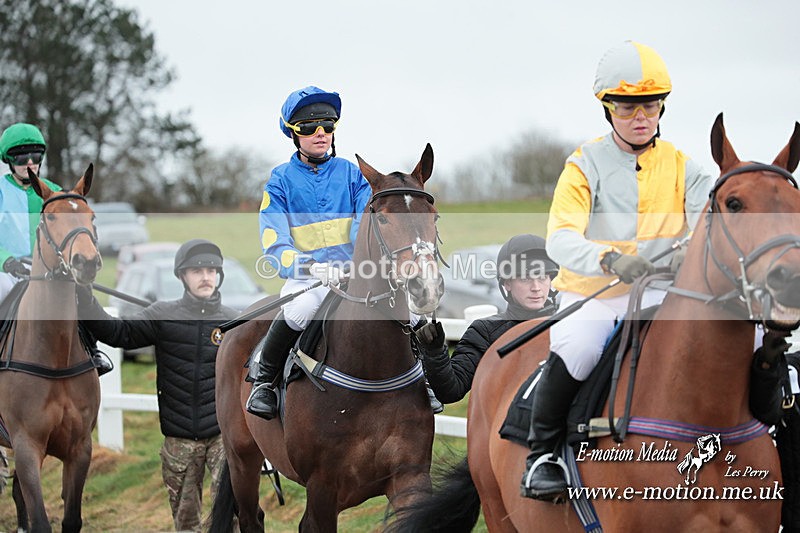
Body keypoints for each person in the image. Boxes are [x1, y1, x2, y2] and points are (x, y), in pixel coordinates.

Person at [519, 41, 714, 501]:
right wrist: (610, 258)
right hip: (598, 291)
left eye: (649, 105)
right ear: (608, 109)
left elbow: (707, 218)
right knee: (580, 346)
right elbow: (560, 238)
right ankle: (542, 455)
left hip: (665, 292)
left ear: (662, 106)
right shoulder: (582, 165)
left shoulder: (686, 166)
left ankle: (771, 433)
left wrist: (688, 250)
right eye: (627, 107)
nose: (640, 116)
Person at [77, 239, 238, 532]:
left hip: (222, 438)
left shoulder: (232, 323)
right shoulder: (162, 314)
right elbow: (118, 334)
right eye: (197, 270)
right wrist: (83, 295)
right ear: (182, 276)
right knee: (186, 524)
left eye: (212, 270)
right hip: (179, 441)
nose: (206, 276)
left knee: (230, 520)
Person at [245, 85, 374, 420]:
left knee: (408, 310)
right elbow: (275, 244)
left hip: (354, 275)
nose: (321, 134)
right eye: (310, 128)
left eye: (328, 126)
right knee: (301, 308)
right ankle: (264, 381)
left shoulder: (353, 175)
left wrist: (356, 266)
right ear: (293, 134)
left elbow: (365, 226)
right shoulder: (280, 181)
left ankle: (426, 381)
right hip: (308, 279)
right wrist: (311, 268)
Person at [0, 122, 112, 376]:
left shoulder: (55, 192)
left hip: (48, 268)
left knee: (79, 292)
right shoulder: (1, 191)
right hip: (7, 271)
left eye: (35, 156)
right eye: (21, 157)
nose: (29, 162)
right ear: (8, 160)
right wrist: (7, 261)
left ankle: (92, 350)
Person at [414, 234, 558, 404]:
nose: (536, 288)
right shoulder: (485, 331)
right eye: (526, 279)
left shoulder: (569, 326)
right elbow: (452, 391)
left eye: (542, 278)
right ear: (507, 284)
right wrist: (435, 352)